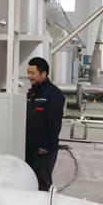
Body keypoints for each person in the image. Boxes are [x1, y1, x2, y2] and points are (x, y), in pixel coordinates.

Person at [25, 57, 65, 191]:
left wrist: (46, 146)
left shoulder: (53, 94)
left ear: (43, 73)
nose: (29, 76)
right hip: (29, 146)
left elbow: (54, 122)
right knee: (29, 181)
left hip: (43, 149)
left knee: (42, 182)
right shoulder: (31, 94)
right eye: (28, 73)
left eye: (32, 73)